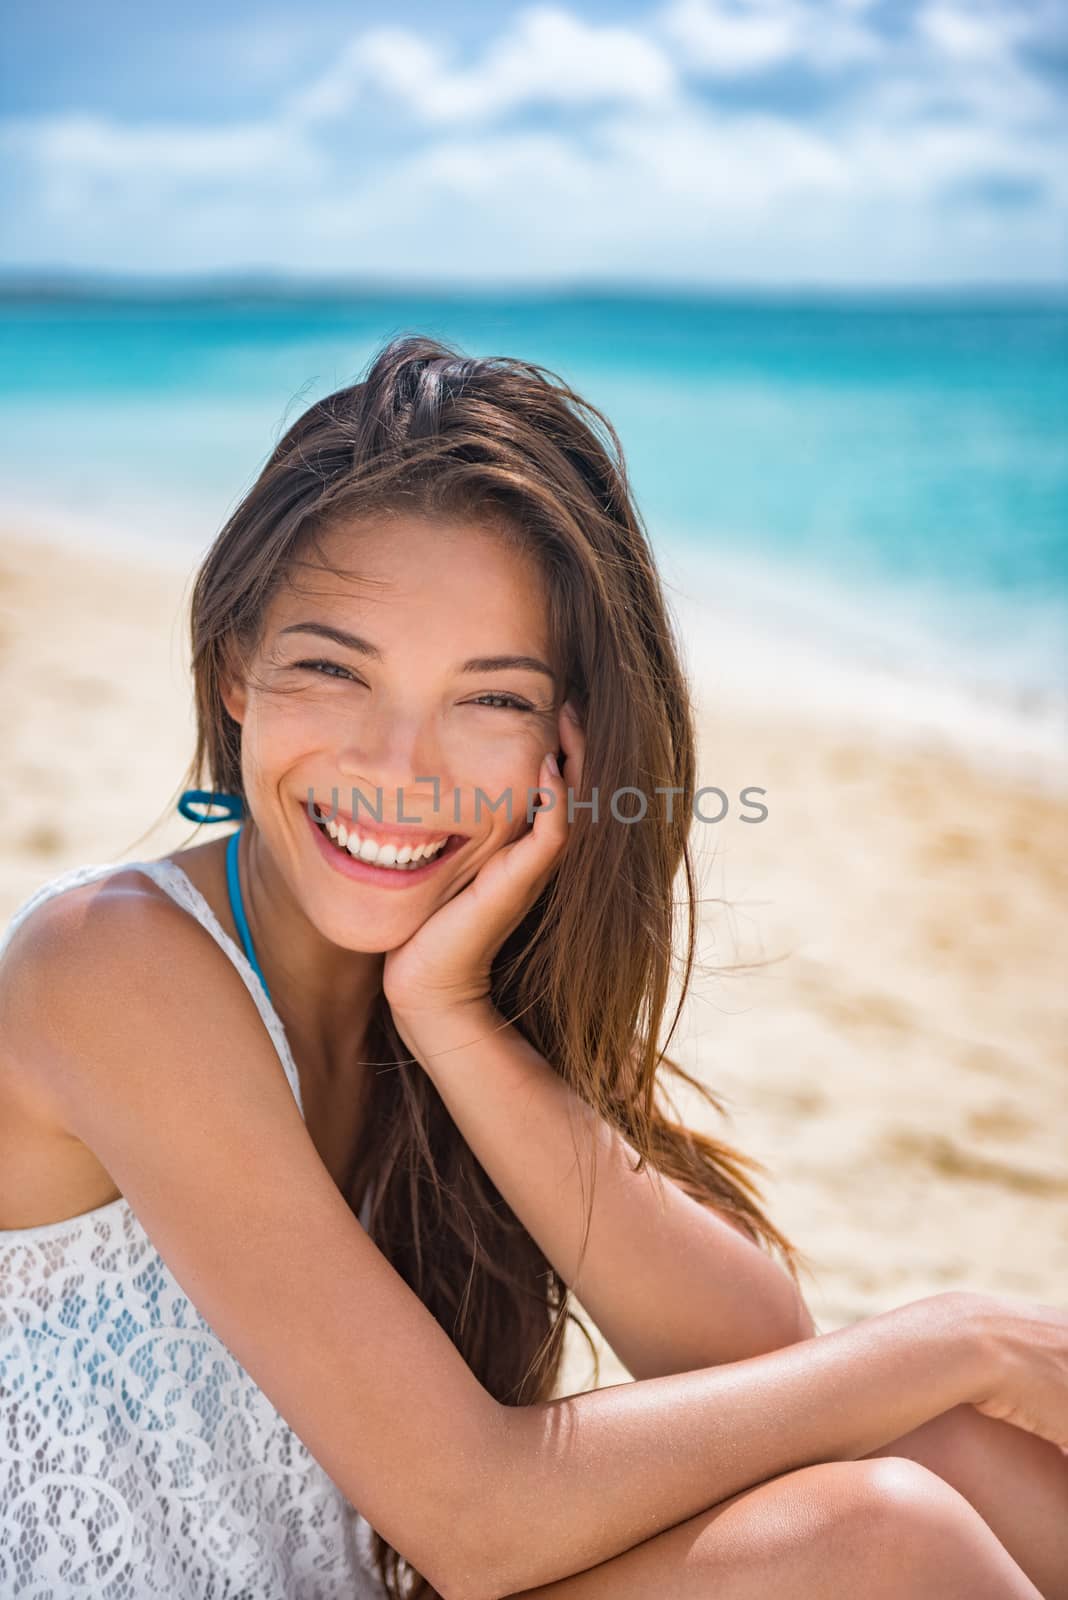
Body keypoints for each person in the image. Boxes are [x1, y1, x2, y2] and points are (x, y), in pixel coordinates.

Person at [1, 334, 1065, 1600]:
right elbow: (477, 1520)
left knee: (965, 1464)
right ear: (238, 669)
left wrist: (451, 1018)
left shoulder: (446, 989)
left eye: (490, 699)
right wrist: (955, 1337)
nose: (400, 767)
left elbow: (744, 1355)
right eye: (335, 669)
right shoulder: (111, 964)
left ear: (570, 741)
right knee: (891, 1530)